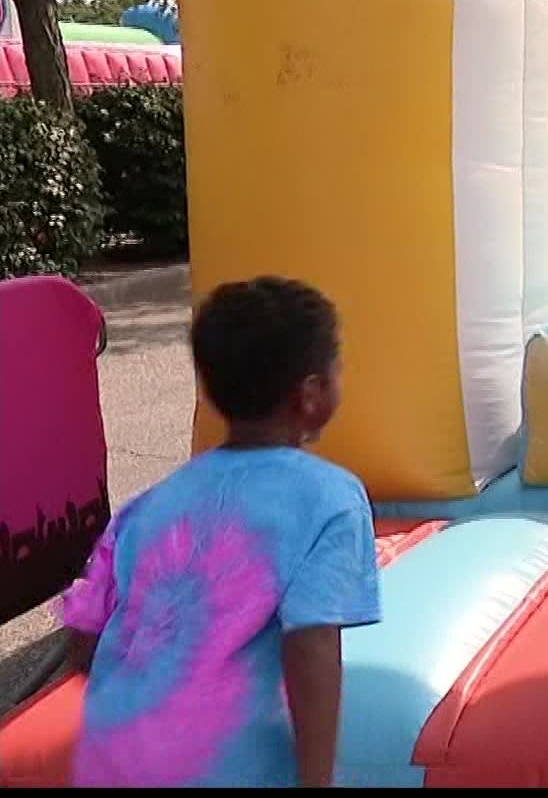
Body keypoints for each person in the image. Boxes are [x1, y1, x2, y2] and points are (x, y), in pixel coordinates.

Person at [59, 276, 380, 787]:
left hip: (110, 760)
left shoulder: (149, 505)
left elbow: (84, 641)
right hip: (224, 767)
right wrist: (317, 780)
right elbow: (312, 647)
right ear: (312, 394)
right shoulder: (329, 498)